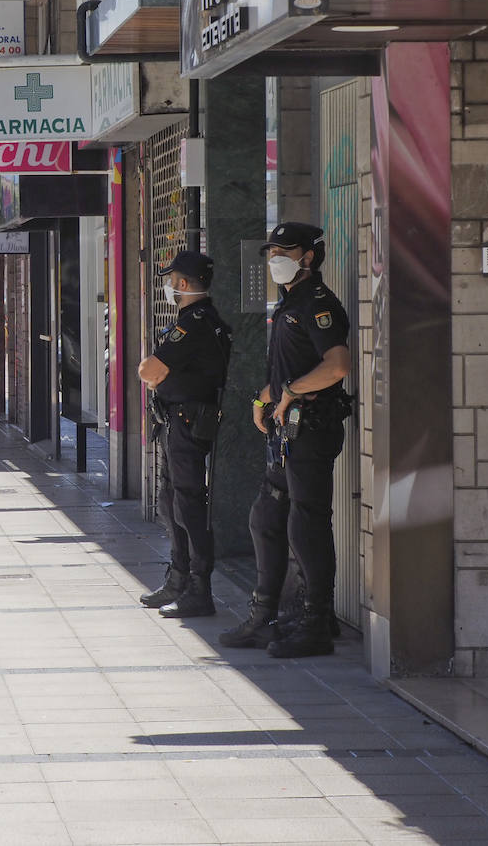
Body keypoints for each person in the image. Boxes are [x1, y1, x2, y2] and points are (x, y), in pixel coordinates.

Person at [220, 222, 352, 658]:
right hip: (286, 430)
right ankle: (265, 617)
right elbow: (288, 366)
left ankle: (315, 623)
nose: (274, 256)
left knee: (306, 523)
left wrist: (292, 392)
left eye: (284, 249)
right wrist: (265, 398)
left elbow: (336, 367)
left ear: (309, 256)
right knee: (267, 518)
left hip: (311, 428)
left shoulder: (317, 303)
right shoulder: (290, 302)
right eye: (271, 249)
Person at [136, 250, 232, 619]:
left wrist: (156, 373)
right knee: (170, 499)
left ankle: (197, 588)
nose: (169, 285)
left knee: (188, 505)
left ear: (183, 283)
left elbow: (149, 370)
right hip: (179, 421)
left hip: (189, 422)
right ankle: (178, 579)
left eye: (171, 279)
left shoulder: (193, 323)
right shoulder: (200, 321)